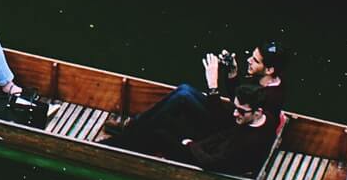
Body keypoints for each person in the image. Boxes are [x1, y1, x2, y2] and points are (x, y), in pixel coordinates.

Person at [96, 40, 285, 154]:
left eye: (255, 60)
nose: (249, 61)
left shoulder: (270, 98)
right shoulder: (263, 82)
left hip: (227, 132)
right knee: (184, 91)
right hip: (231, 121)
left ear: (269, 69)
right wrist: (232, 74)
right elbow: (240, 98)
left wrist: (213, 86)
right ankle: (135, 126)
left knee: (183, 98)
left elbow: (233, 122)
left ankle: (129, 134)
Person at [168, 83, 280, 176]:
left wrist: (191, 145)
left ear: (257, 113)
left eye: (241, 111)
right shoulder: (267, 117)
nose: (235, 113)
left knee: (163, 135)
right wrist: (199, 144)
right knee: (184, 93)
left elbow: (210, 163)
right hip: (219, 149)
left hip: (218, 166)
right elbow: (225, 134)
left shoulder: (245, 142)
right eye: (235, 108)